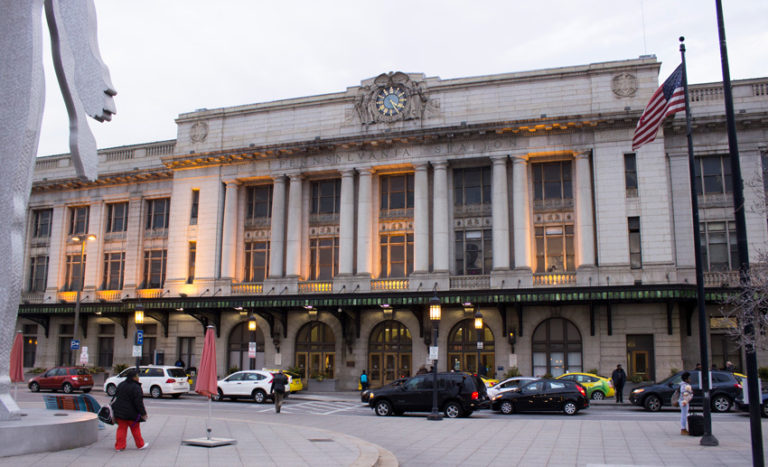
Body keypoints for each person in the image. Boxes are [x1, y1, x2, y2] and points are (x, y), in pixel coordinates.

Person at [111, 369, 148, 451]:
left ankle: (119, 446)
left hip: (119, 412)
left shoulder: (121, 385)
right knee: (135, 429)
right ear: (133, 377)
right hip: (132, 413)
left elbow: (116, 397)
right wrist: (143, 413)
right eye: (137, 376)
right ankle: (140, 445)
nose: (138, 378)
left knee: (121, 429)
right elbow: (139, 402)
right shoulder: (136, 387)